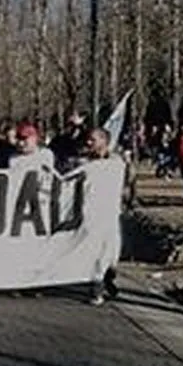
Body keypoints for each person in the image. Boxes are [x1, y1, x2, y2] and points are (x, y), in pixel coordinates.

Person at [79, 127, 121, 306]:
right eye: (88, 140)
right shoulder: (83, 162)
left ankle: (106, 279)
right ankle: (96, 286)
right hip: (91, 215)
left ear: (104, 141)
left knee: (112, 254)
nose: (89, 143)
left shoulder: (115, 162)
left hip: (110, 214)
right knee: (96, 252)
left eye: (93, 140)